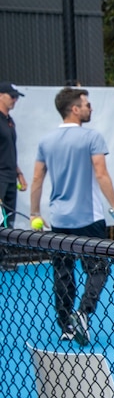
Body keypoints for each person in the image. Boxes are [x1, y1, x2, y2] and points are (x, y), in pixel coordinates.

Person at [30, 87, 114, 346]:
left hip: (59, 220)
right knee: (99, 268)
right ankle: (83, 313)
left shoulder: (46, 141)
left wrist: (34, 213)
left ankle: (66, 326)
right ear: (74, 109)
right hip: (89, 219)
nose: (90, 108)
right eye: (86, 104)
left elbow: (37, 179)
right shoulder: (92, 137)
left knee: (63, 272)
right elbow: (101, 174)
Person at [0, 81, 28, 271]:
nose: (15, 100)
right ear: (1, 95)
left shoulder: (9, 120)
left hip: (10, 177)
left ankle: (4, 258)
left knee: (7, 219)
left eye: (17, 96)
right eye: (12, 96)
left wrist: (19, 174)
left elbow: (9, 151)